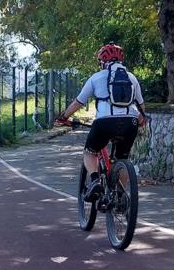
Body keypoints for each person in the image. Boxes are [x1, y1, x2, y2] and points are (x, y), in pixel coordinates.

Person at [55, 43, 147, 200]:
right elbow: (141, 105)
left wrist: (63, 117)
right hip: (129, 123)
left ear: (103, 62)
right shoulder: (132, 78)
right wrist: (142, 119)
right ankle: (120, 196)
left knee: (90, 152)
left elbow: (78, 102)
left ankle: (95, 180)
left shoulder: (96, 78)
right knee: (122, 159)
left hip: (104, 123)